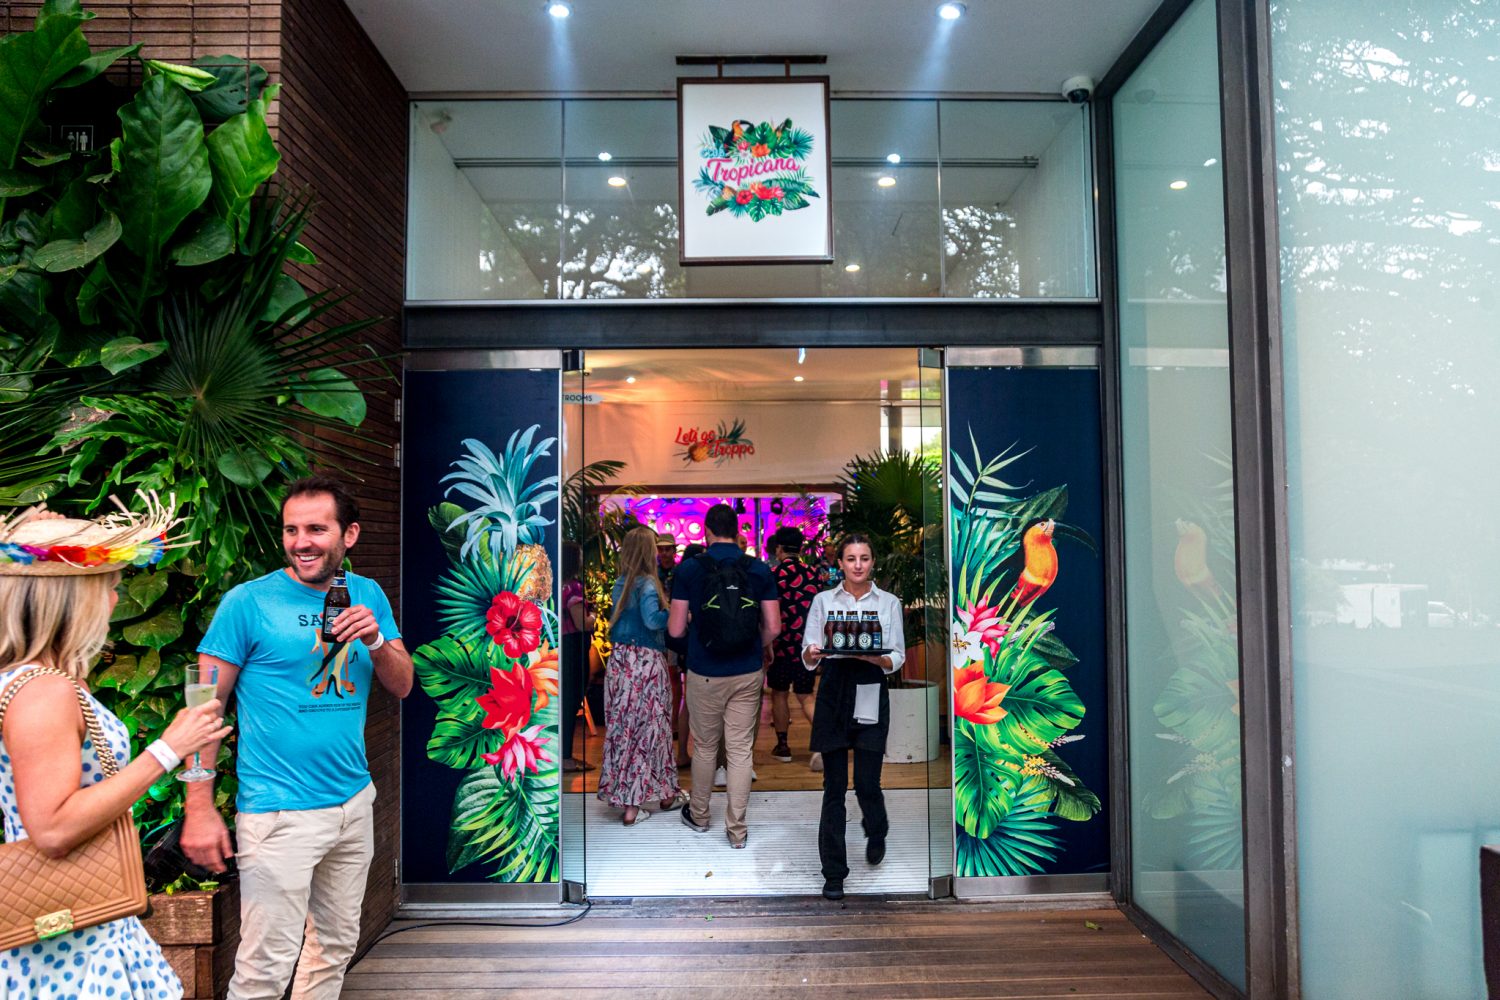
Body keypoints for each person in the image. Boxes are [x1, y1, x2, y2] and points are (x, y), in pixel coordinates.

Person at [181, 476, 413, 1000]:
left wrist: (376, 638)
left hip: (353, 804)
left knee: (334, 949)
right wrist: (198, 803)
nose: (301, 542)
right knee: (264, 969)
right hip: (278, 812)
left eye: (316, 529)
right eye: (291, 530)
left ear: (349, 535)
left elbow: (402, 684)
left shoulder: (367, 594)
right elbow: (202, 703)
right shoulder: (248, 602)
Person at [0, 497, 231, 1000]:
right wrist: (169, 749)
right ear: (74, 599)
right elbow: (53, 829)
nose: (114, 598)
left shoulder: (47, 679)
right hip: (69, 943)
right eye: (108, 586)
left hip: (88, 920)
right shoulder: (42, 690)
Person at [668, 503, 779, 848]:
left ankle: (700, 816)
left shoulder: (689, 569)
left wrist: (698, 642)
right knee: (740, 750)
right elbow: (774, 626)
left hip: (704, 670)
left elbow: (675, 629)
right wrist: (754, 645)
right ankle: (737, 831)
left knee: (704, 747)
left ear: (706, 531)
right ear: (737, 530)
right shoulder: (758, 569)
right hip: (747, 671)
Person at [801, 533, 905, 900]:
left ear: (872, 561)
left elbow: (898, 656)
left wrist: (876, 658)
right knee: (833, 786)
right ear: (840, 563)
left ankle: (876, 829)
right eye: (850, 558)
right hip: (834, 689)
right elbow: (807, 653)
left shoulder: (888, 602)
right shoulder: (823, 601)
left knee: (865, 782)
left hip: (870, 686)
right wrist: (814, 653)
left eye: (864, 558)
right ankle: (834, 873)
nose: (858, 565)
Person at [598, 526, 687, 825]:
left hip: (621, 661)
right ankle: (643, 804)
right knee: (654, 728)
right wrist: (676, 613)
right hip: (646, 662)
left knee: (624, 731)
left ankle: (637, 798)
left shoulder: (620, 583)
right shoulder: (648, 583)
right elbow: (652, 620)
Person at [765, 526, 823, 770]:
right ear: (800, 548)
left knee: (779, 693)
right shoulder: (814, 574)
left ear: (779, 548)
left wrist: (767, 643)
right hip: (807, 643)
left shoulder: (774, 574)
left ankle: (783, 747)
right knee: (806, 694)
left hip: (780, 643)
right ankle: (823, 743)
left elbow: (769, 612)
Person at [559, 541, 595, 773]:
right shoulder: (573, 588)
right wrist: (594, 617)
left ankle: (562, 754)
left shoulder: (555, 585)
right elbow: (582, 623)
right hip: (573, 646)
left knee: (564, 701)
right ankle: (566, 757)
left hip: (561, 645)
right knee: (572, 699)